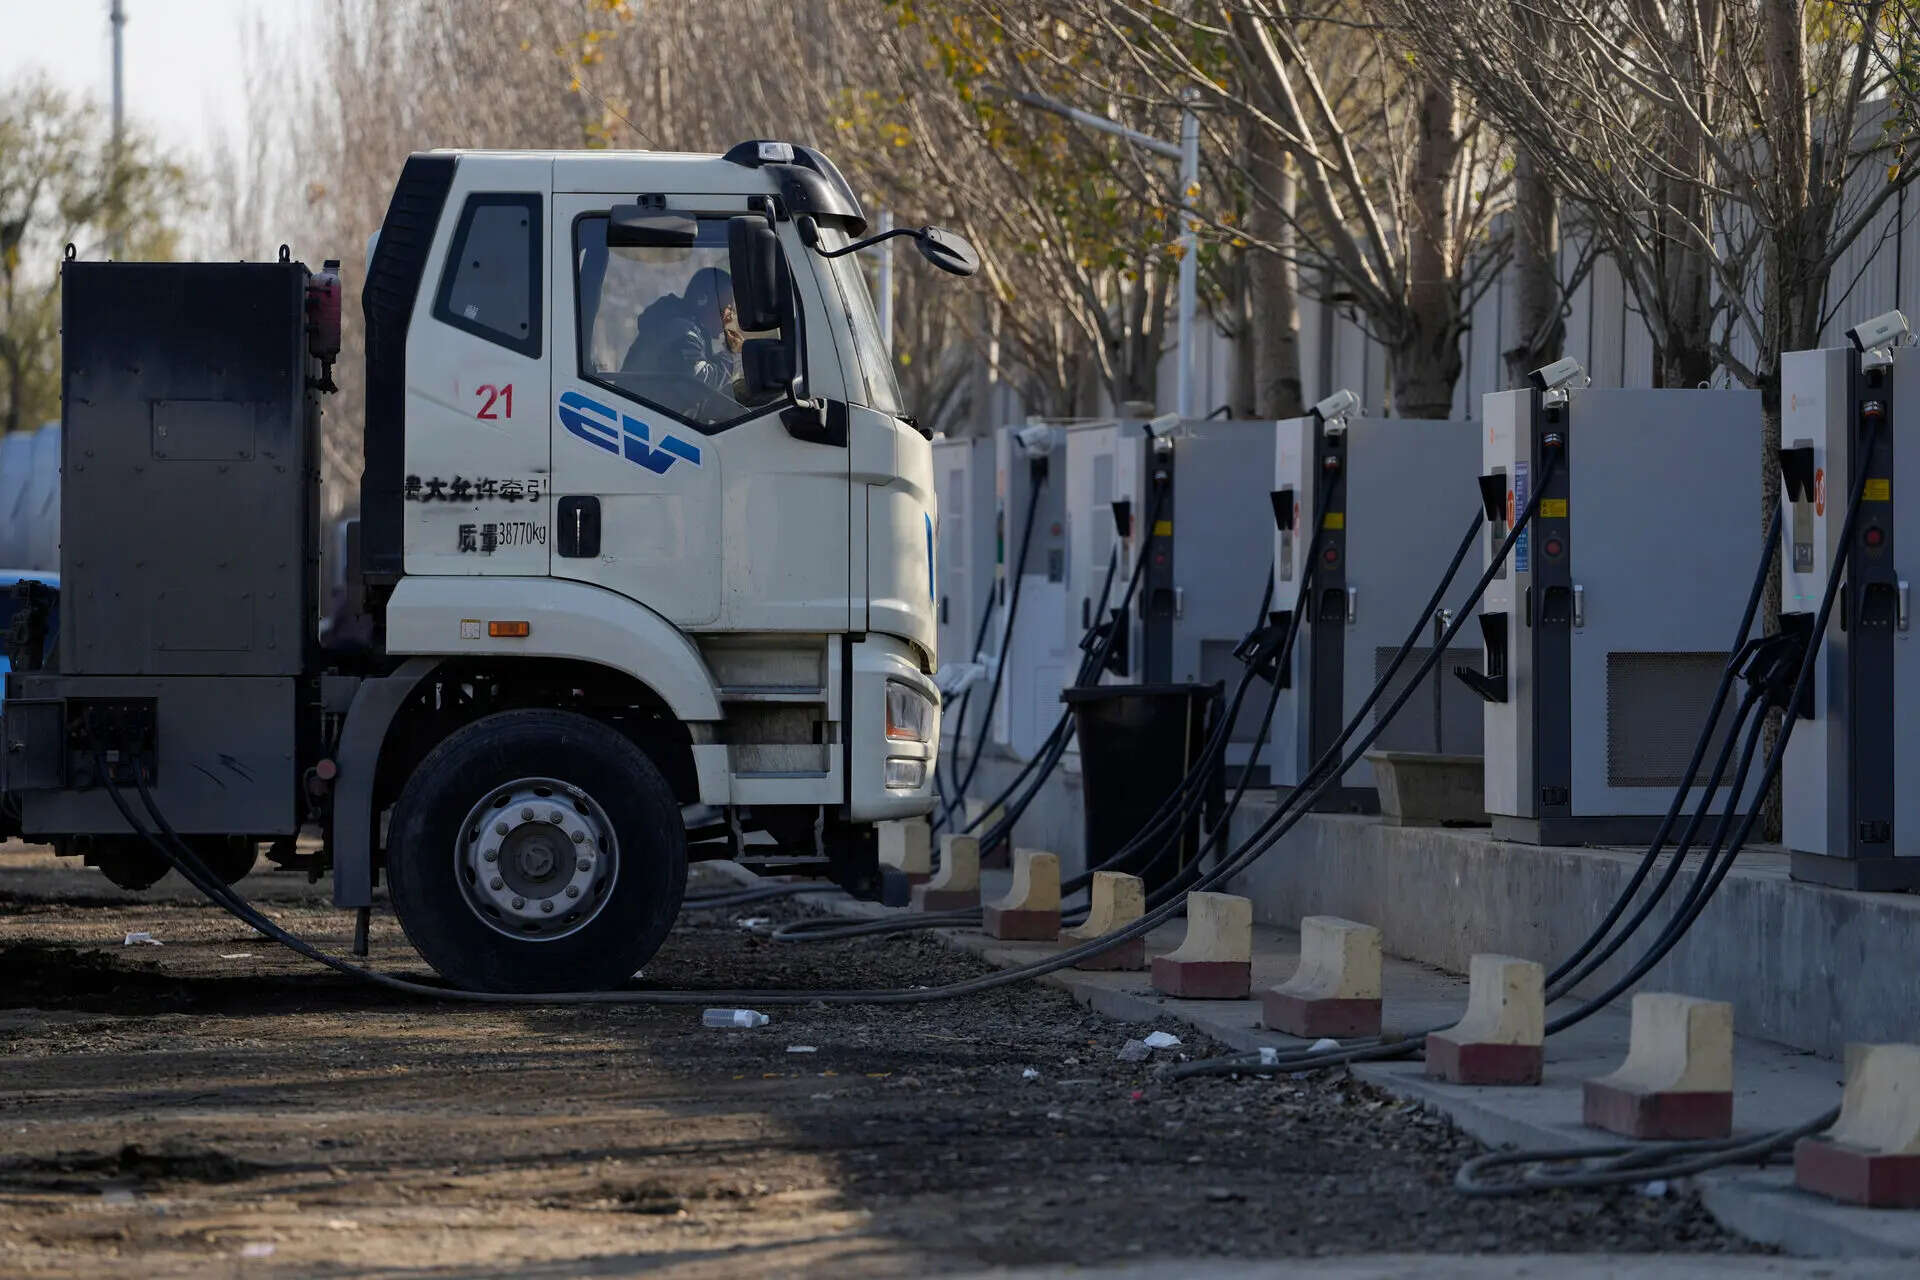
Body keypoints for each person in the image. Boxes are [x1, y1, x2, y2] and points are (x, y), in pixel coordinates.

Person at [621, 265, 745, 396]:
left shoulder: (683, 327)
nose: (730, 316)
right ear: (703, 300)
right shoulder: (682, 331)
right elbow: (699, 384)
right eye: (727, 307)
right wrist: (732, 355)